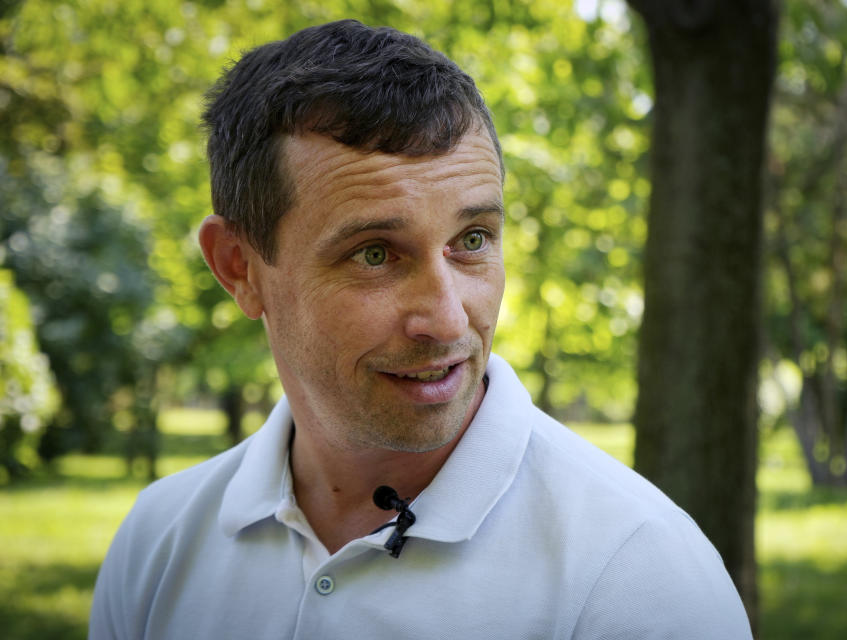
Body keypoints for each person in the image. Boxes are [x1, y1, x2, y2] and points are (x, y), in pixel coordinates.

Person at [89, 19, 752, 639]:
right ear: (240, 268)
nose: (447, 317)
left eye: (472, 239)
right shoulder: (159, 541)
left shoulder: (639, 576)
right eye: (376, 253)